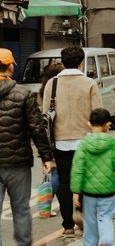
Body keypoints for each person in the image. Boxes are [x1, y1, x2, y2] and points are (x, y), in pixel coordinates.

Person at [0, 47, 55, 246]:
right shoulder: (23, 94)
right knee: (21, 208)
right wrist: (46, 156)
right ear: (11, 67)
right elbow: (36, 128)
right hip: (17, 163)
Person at [43, 45, 101, 237]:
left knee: (65, 180)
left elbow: (45, 116)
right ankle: (81, 211)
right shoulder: (89, 83)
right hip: (85, 140)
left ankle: (67, 224)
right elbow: (98, 116)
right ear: (81, 62)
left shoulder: (52, 84)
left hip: (60, 141)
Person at [70, 108, 115, 246]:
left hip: (88, 191)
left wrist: (75, 192)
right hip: (107, 190)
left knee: (90, 220)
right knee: (106, 217)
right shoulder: (112, 143)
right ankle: (105, 244)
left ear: (89, 124)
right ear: (108, 124)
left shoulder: (83, 144)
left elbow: (77, 169)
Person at [37, 61, 63, 218]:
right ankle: (44, 206)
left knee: (52, 171)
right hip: (55, 133)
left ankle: (46, 204)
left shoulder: (43, 89)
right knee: (56, 172)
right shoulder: (54, 89)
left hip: (46, 133)